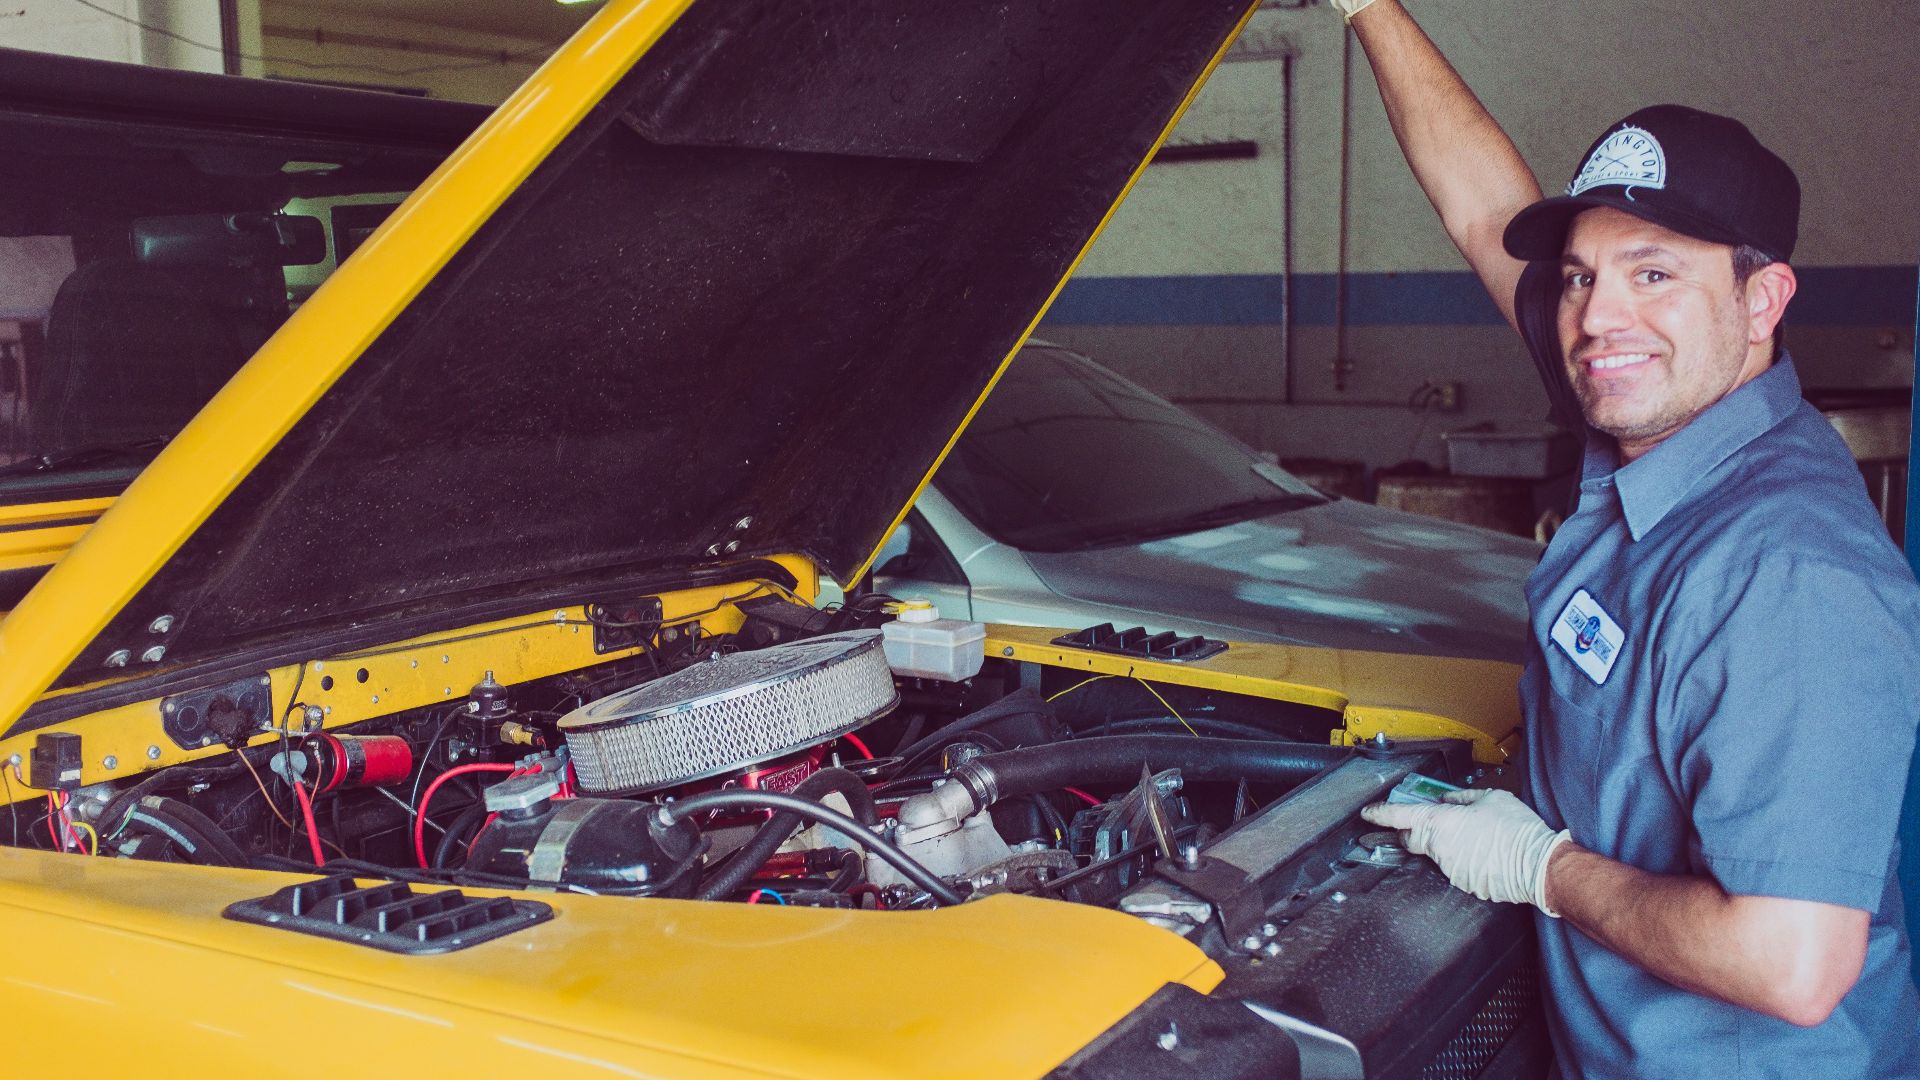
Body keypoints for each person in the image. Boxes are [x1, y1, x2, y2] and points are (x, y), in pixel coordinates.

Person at [1335, 1, 1920, 1075]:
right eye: (1580, 275)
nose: (1600, 317)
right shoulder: (1657, 418)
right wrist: (1369, 8)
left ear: (1762, 300)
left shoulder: (1786, 575)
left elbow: (1794, 964)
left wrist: (1541, 866)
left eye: (1655, 273)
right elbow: (1481, 210)